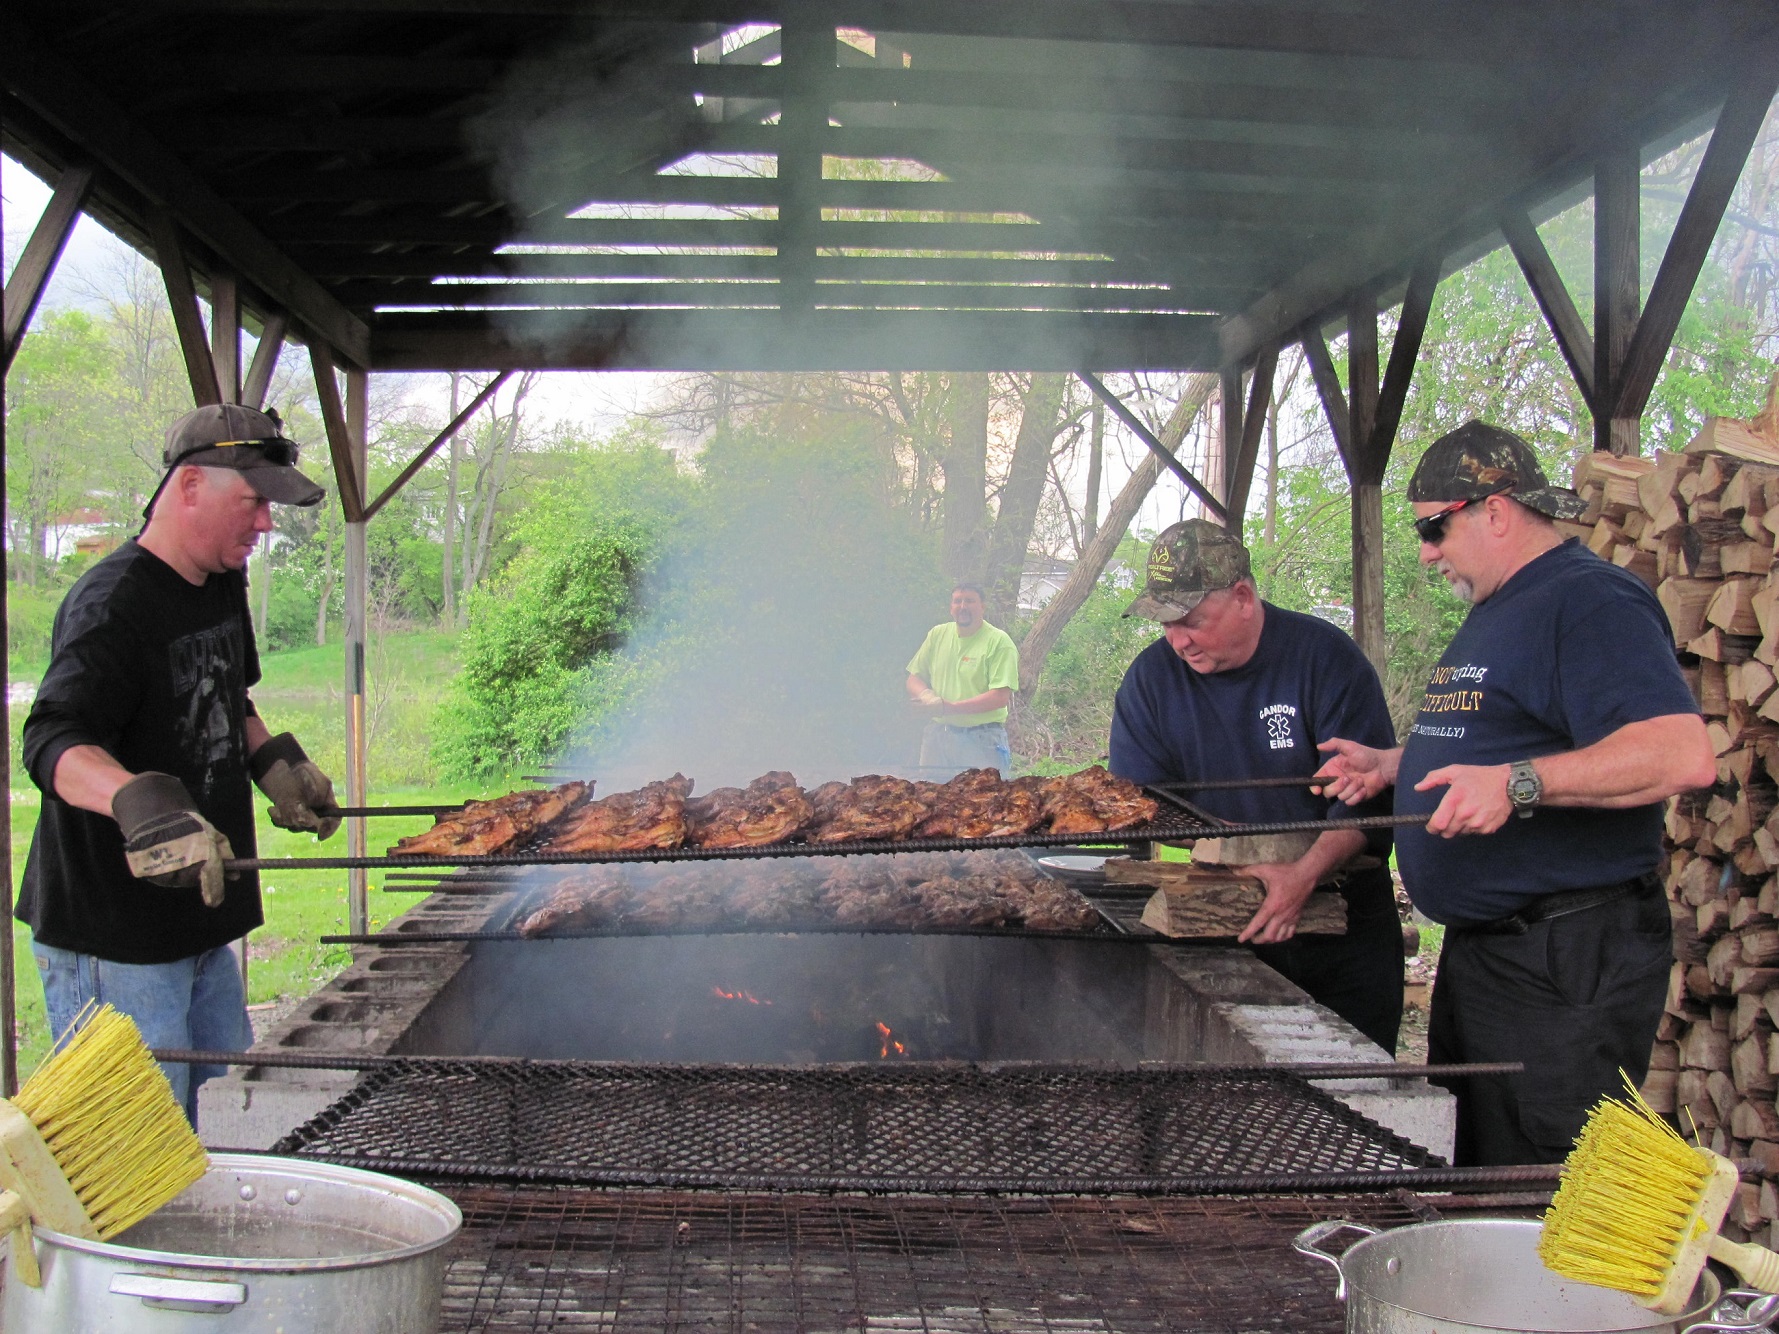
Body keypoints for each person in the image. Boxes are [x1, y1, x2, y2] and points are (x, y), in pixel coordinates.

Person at [1316, 420, 1715, 1166]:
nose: (1427, 551)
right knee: (1471, 1163)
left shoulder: (1590, 603)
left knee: (1537, 1177)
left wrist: (1518, 783)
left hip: (1564, 957)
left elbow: (1679, 754)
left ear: (1493, 509)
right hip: (1491, 954)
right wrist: (1394, 763)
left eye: (1434, 528)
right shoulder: (1501, 607)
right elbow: (1499, 733)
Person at [20, 403, 343, 1122]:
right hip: (115, 939)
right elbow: (51, 742)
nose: (265, 524)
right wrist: (140, 805)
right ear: (191, 486)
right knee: (129, 1149)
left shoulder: (222, 579)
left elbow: (232, 694)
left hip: (200, 919)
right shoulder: (112, 604)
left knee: (222, 1124)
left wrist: (274, 763)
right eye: (253, 501)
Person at [1109, 520, 1405, 1053]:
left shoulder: (1324, 659)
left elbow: (1368, 801)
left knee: (1357, 1095)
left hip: (1342, 921)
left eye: (1191, 620)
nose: (1178, 641)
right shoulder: (1151, 681)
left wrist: (1303, 874)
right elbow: (1138, 802)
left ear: (1243, 597)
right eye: (1164, 624)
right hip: (1220, 918)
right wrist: (1235, 854)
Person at [906, 583, 1020, 776]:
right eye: (957, 601)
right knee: (931, 800)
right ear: (951, 607)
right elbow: (913, 678)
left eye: (970, 601)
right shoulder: (937, 635)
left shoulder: (999, 642)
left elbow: (1000, 697)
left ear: (982, 606)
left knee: (986, 802)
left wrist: (947, 707)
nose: (963, 606)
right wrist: (927, 697)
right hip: (938, 737)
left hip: (982, 740)